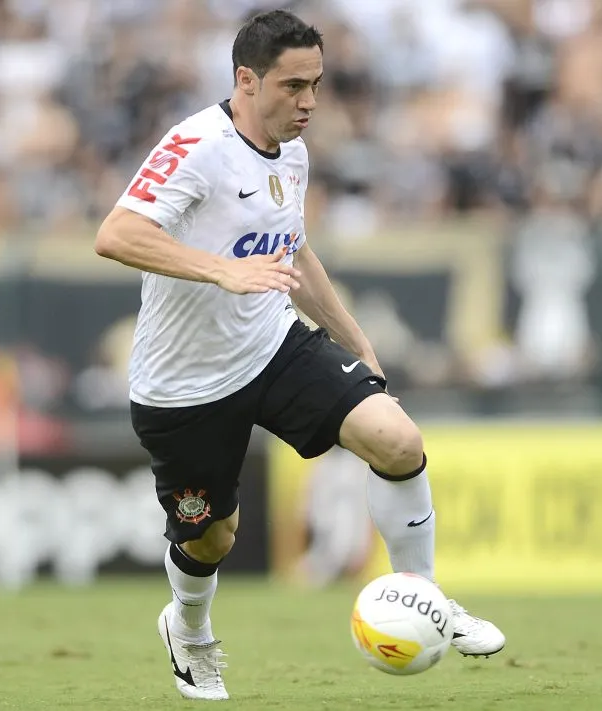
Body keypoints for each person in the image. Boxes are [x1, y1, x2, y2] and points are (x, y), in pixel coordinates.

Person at [94, 9, 505, 702]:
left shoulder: (294, 149)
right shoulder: (196, 145)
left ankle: (426, 596)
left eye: (316, 84)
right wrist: (219, 269)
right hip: (184, 384)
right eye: (293, 86)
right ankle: (188, 629)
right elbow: (115, 233)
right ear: (246, 80)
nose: (308, 102)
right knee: (213, 539)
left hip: (272, 344)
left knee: (396, 440)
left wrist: (352, 336)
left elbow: (293, 248)